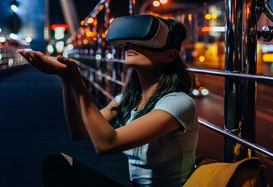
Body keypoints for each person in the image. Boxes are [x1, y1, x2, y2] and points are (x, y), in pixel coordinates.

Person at [19, 14, 198, 187]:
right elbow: (79, 131)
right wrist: (65, 77)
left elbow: (106, 144)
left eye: (145, 41)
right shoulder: (128, 100)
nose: (131, 44)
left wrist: (76, 79)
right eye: (130, 41)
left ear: (170, 56)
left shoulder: (178, 103)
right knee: (57, 164)